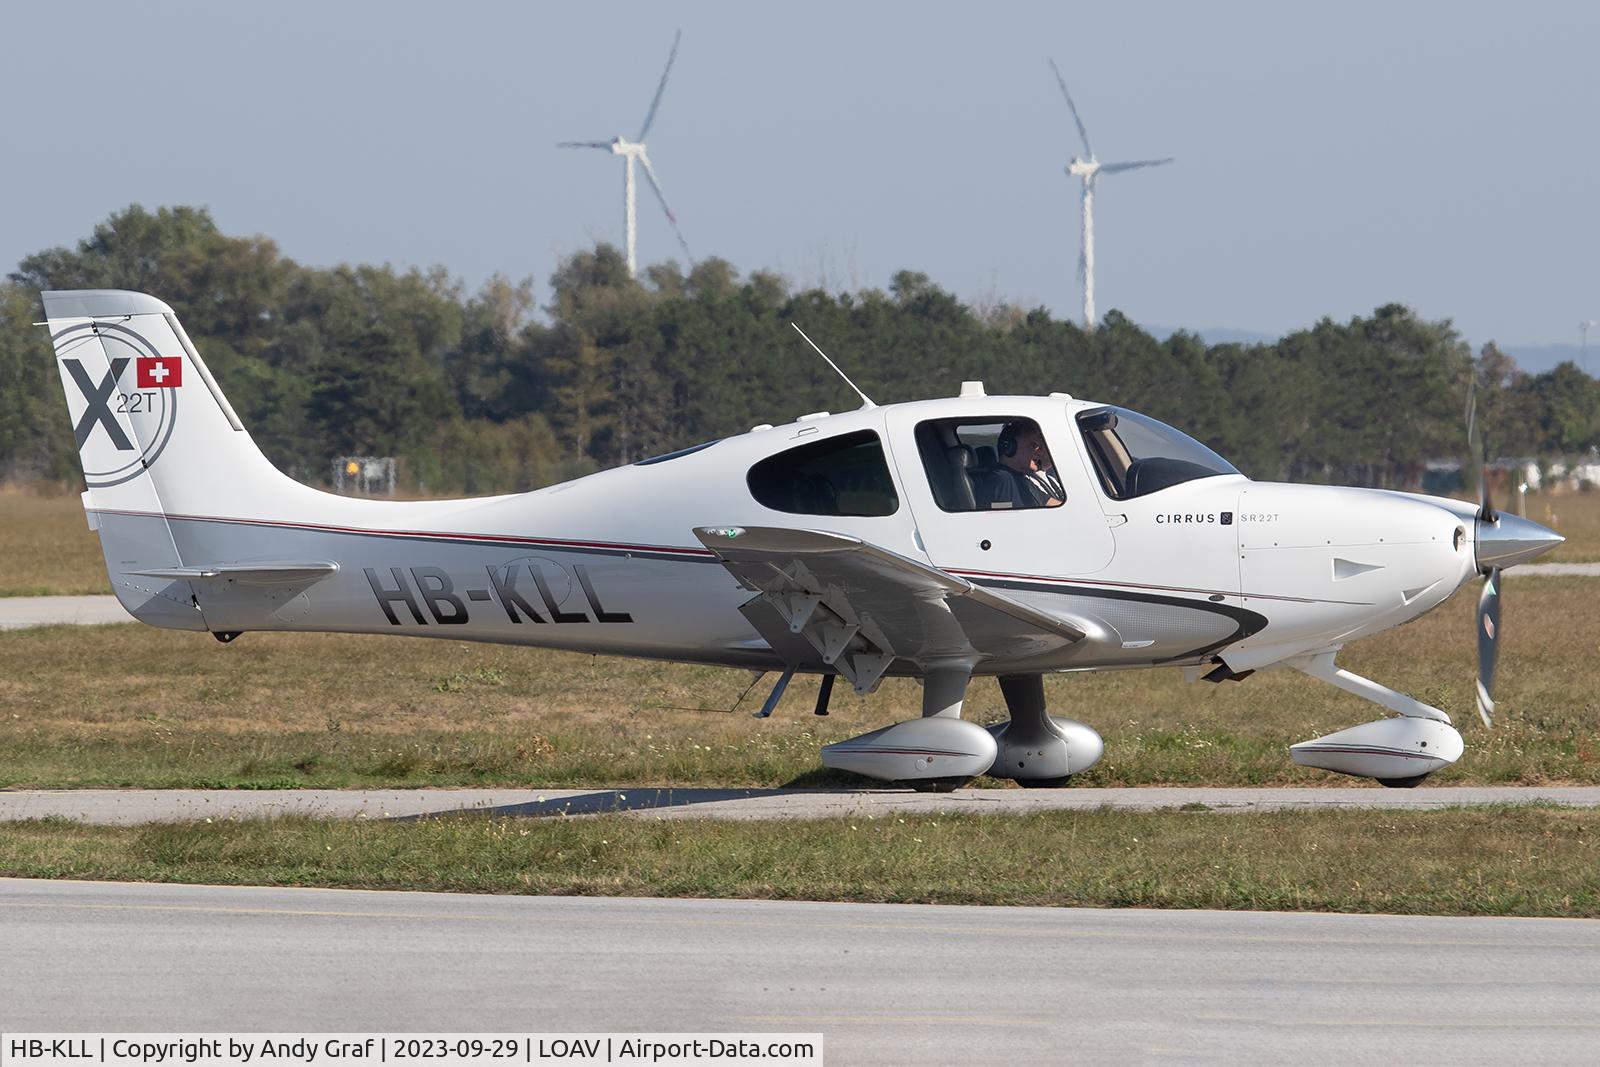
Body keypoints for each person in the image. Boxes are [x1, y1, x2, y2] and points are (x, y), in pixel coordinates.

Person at [976, 421, 1064, 509]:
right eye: (1033, 445)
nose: (1040, 452)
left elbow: (1052, 503)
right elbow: (1004, 517)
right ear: (1009, 446)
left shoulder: (1023, 480)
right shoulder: (1002, 479)